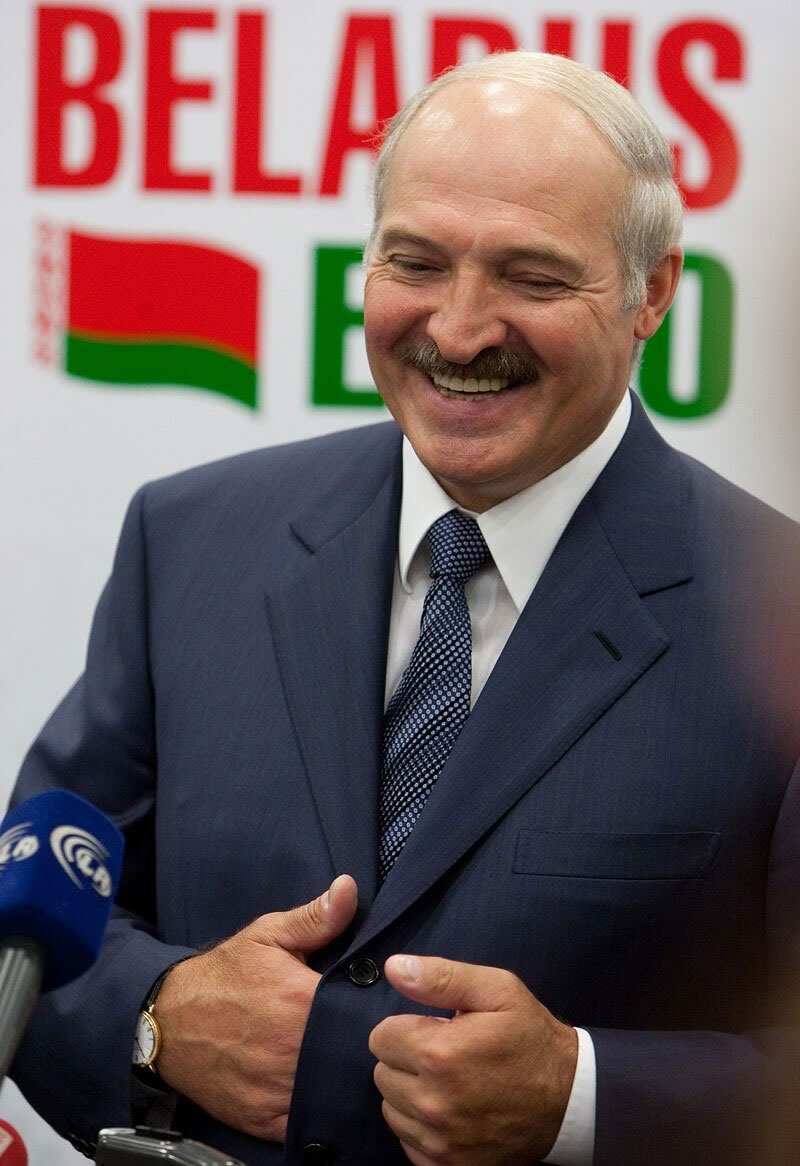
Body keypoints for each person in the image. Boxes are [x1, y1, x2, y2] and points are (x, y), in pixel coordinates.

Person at [10, 51, 800, 1166]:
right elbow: (29, 924)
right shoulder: (186, 541)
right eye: (416, 262)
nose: (461, 329)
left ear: (651, 293)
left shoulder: (779, 614)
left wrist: (580, 1096)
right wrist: (158, 1017)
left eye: (533, 278)